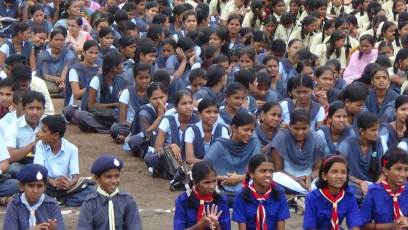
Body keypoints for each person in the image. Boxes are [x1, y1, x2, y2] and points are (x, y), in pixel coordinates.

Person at [34, 115, 95, 207]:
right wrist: (53, 182)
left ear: (56, 135)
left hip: (66, 187)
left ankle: (58, 201)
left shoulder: (72, 149)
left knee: (91, 192)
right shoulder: (40, 146)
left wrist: (67, 184)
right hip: (47, 184)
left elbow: (75, 177)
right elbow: (39, 171)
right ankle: (58, 200)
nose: (40, 134)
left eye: (44, 131)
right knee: (33, 188)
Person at [77, 155, 143, 230]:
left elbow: (134, 227)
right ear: (97, 178)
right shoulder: (90, 204)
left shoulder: (127, 201)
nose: (114, 181)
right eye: (108, 177)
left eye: (117, 176)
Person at [204, 111, 262, 193]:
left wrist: (241, 178)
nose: (249, 134)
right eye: (246, 130)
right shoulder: (220, 144)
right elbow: (203, 169)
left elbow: (260, 169)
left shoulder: (254, 143)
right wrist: (220, 178)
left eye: (252, 131)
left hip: (250, 186)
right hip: (223, 187)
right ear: (234, 128)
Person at [271, 108, 324, 194]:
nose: (300, 132)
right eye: (296, 128)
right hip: (288, 180)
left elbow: (318, 168)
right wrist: (297, 179)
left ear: (310, 125)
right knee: (274, 177)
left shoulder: (317, 139)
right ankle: (306, 194)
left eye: (304, 128)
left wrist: (310, 178)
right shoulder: (281, 138)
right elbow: (278, 170)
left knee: (326, 180)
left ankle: (298, 195)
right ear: (290, 126)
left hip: (310, 181)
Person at [232, 154, 290, 230]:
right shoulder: (241, 196)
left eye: (271, 171)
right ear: (251, 174)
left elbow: (281, 226)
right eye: (263, 171)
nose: (268, 175)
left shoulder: (279, 194)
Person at [303, 155, 362, 230]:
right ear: (324, 176)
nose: (340, 176)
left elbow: (354, 225)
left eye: (343, 172)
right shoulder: (312, 198)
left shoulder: (349, 195)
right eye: (334, 172)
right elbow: (310, 227)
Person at [336, 112, 384, 202]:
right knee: (347, 189)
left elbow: (385, 169)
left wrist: (377, 185)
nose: (376, 133)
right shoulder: (347, 144)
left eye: (377, 129)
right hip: (354, 183)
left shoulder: (378, 141)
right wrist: (360, 182)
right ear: (362, 131)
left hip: (375, 183)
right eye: (373, 130)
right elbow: (340, 171)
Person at [74, 52, 125, 134]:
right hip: (97, 114)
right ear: (114, 67)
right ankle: (109, 129)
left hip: (113, 114)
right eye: (121, 64)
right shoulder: (97, 79)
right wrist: (114, 104)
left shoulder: (120, 78)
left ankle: (103, 128)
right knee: (80, 115)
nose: (122, 66)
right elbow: (91, 106)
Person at [3, 164, 65, 229]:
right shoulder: (14, 205)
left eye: (39, 186)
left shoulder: (52, 205)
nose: (35, 191)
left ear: (44, 187)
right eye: (31, 186)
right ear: (21, 186)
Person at [174, 161, 231, 230]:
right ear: (195, 183)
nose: (212, 186)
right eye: (207, 182)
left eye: (214, 181)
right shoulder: (183, 201)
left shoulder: (221, 201)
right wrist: (198, 226)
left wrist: (216, 225)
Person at [360, 149, 408, 229]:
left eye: (406, 170)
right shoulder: (374, 192)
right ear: (386, 171)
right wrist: (391, 227)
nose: (403, 174)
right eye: (398, 169)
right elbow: (363, 225)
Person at [4, 91, 45, 178]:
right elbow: (8, 157)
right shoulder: (13, 127)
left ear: (43, 109)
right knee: (13, 168)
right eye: (31, 108)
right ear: (23, 109)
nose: (35, 112)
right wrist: (32, 145)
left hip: (43, 162)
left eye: (38, 108)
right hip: (22, 164)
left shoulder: (47, 127)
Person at [110, 63, 150, 143]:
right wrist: (135, 127)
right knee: (115, 128)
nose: (144, 81)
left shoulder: (153, 91)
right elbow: (122, 120)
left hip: (148, 127)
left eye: (147, 77)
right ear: (134, 78)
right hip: (130, 126)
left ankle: (130, 138)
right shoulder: (127, 92)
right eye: (141, 78)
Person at [183, 98, 229, 164]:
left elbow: (224, 155)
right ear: (199, 114)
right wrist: (208, 165)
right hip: (197, 169)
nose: (213, 116)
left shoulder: (222, 130)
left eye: (215, 112)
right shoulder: (191, 130)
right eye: (208, 112)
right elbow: (189, 159)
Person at [63, 40, 100, 122]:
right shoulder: (75, 69)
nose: (93, 56)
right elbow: (77, 94)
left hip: (95, 104)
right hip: (78, 104)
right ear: (83, 52)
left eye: (96, 53)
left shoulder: (99, 69)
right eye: (91, 52)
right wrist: (93, 87)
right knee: (71, 111)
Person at [36, 27, 76, 97]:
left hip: (64, 78)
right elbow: (45, 75)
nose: (59, 42)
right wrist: (55, 79)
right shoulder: (44, 55)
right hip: (50, 79)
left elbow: (66, 69)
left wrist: (62, 81)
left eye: (61, 40)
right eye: (56, 40)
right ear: (51, 40)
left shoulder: (68, 54)